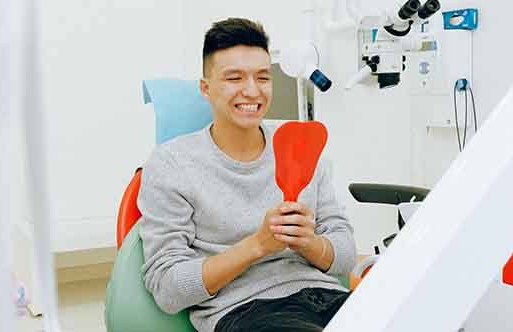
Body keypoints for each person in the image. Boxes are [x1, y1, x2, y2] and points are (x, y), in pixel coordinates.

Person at [138, 17, 356, 332]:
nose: (252, 91)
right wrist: (257, 245)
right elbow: (167, 289)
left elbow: (345, 253)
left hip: (326, 296)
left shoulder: (298, 145)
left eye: (263, 77)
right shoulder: (172, 164)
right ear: (206, 88)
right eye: (234, 78)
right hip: (245, 310)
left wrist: (309, 243)